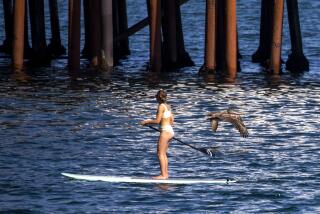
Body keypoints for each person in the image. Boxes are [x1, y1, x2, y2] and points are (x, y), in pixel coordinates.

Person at [140, 89, 174, 180]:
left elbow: (157, 121)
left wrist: (146, 122)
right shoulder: (168, 106)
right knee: (164, 154)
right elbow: (172, 121)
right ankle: (166, 174)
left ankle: (163, 175)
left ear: (158, 97)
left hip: (165, 132)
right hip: (170, 131)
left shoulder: (161, 106)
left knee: (160, 154)